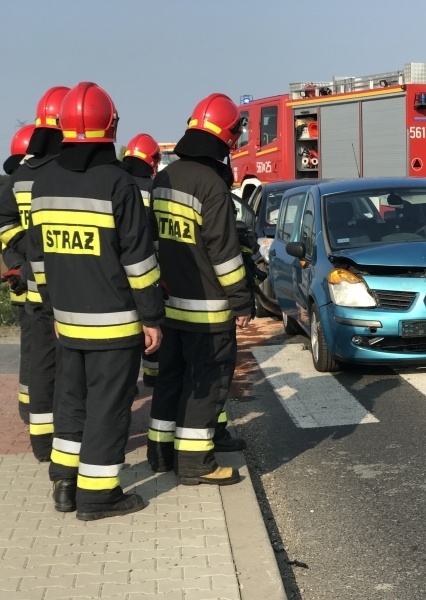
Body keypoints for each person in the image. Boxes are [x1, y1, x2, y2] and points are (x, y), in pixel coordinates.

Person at [28, 82, 164, 519]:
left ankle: (65, 485)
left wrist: (50, 309)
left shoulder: (44, 180)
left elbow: (39, 257)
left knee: (71, 401)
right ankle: (99, 495)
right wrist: (152, 318)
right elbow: (140, 261)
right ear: (111, 126)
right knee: (107, 407)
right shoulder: (118, 183)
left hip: (66, 321)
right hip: (115, 322)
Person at [146, 93, 252, 485]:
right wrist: (242, 302)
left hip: (170, 304)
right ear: (226, 137)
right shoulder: (212, 186)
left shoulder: (165, 178)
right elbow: (224, 254)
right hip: (208, 310)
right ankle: (194, 463)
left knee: (171, 379)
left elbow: (154, 242)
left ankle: (160, 452)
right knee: (205, 385)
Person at [0, 86, 70, 458]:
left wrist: (23, 256)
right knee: (68, 363)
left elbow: (6, 222)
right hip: (69, 285)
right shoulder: (70, 175)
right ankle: (67, 435)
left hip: (33, 284)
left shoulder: (21, 175)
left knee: (39, 360)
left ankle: (42, 439)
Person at [121, 133, 162, 388]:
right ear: (152, 160)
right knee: (151, 321)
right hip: (148, 267)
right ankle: (153, 375)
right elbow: (158, 235)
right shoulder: (152, 188)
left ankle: (128, 382)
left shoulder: (117, 182)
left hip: (118, 269)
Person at [1, 123, 35, 424]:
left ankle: (29, 408)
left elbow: (7, 233)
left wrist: (17, 263)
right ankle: (33, 406)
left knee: (31, 348)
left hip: (23, 278)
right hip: (33, 280)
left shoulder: (13, 184)